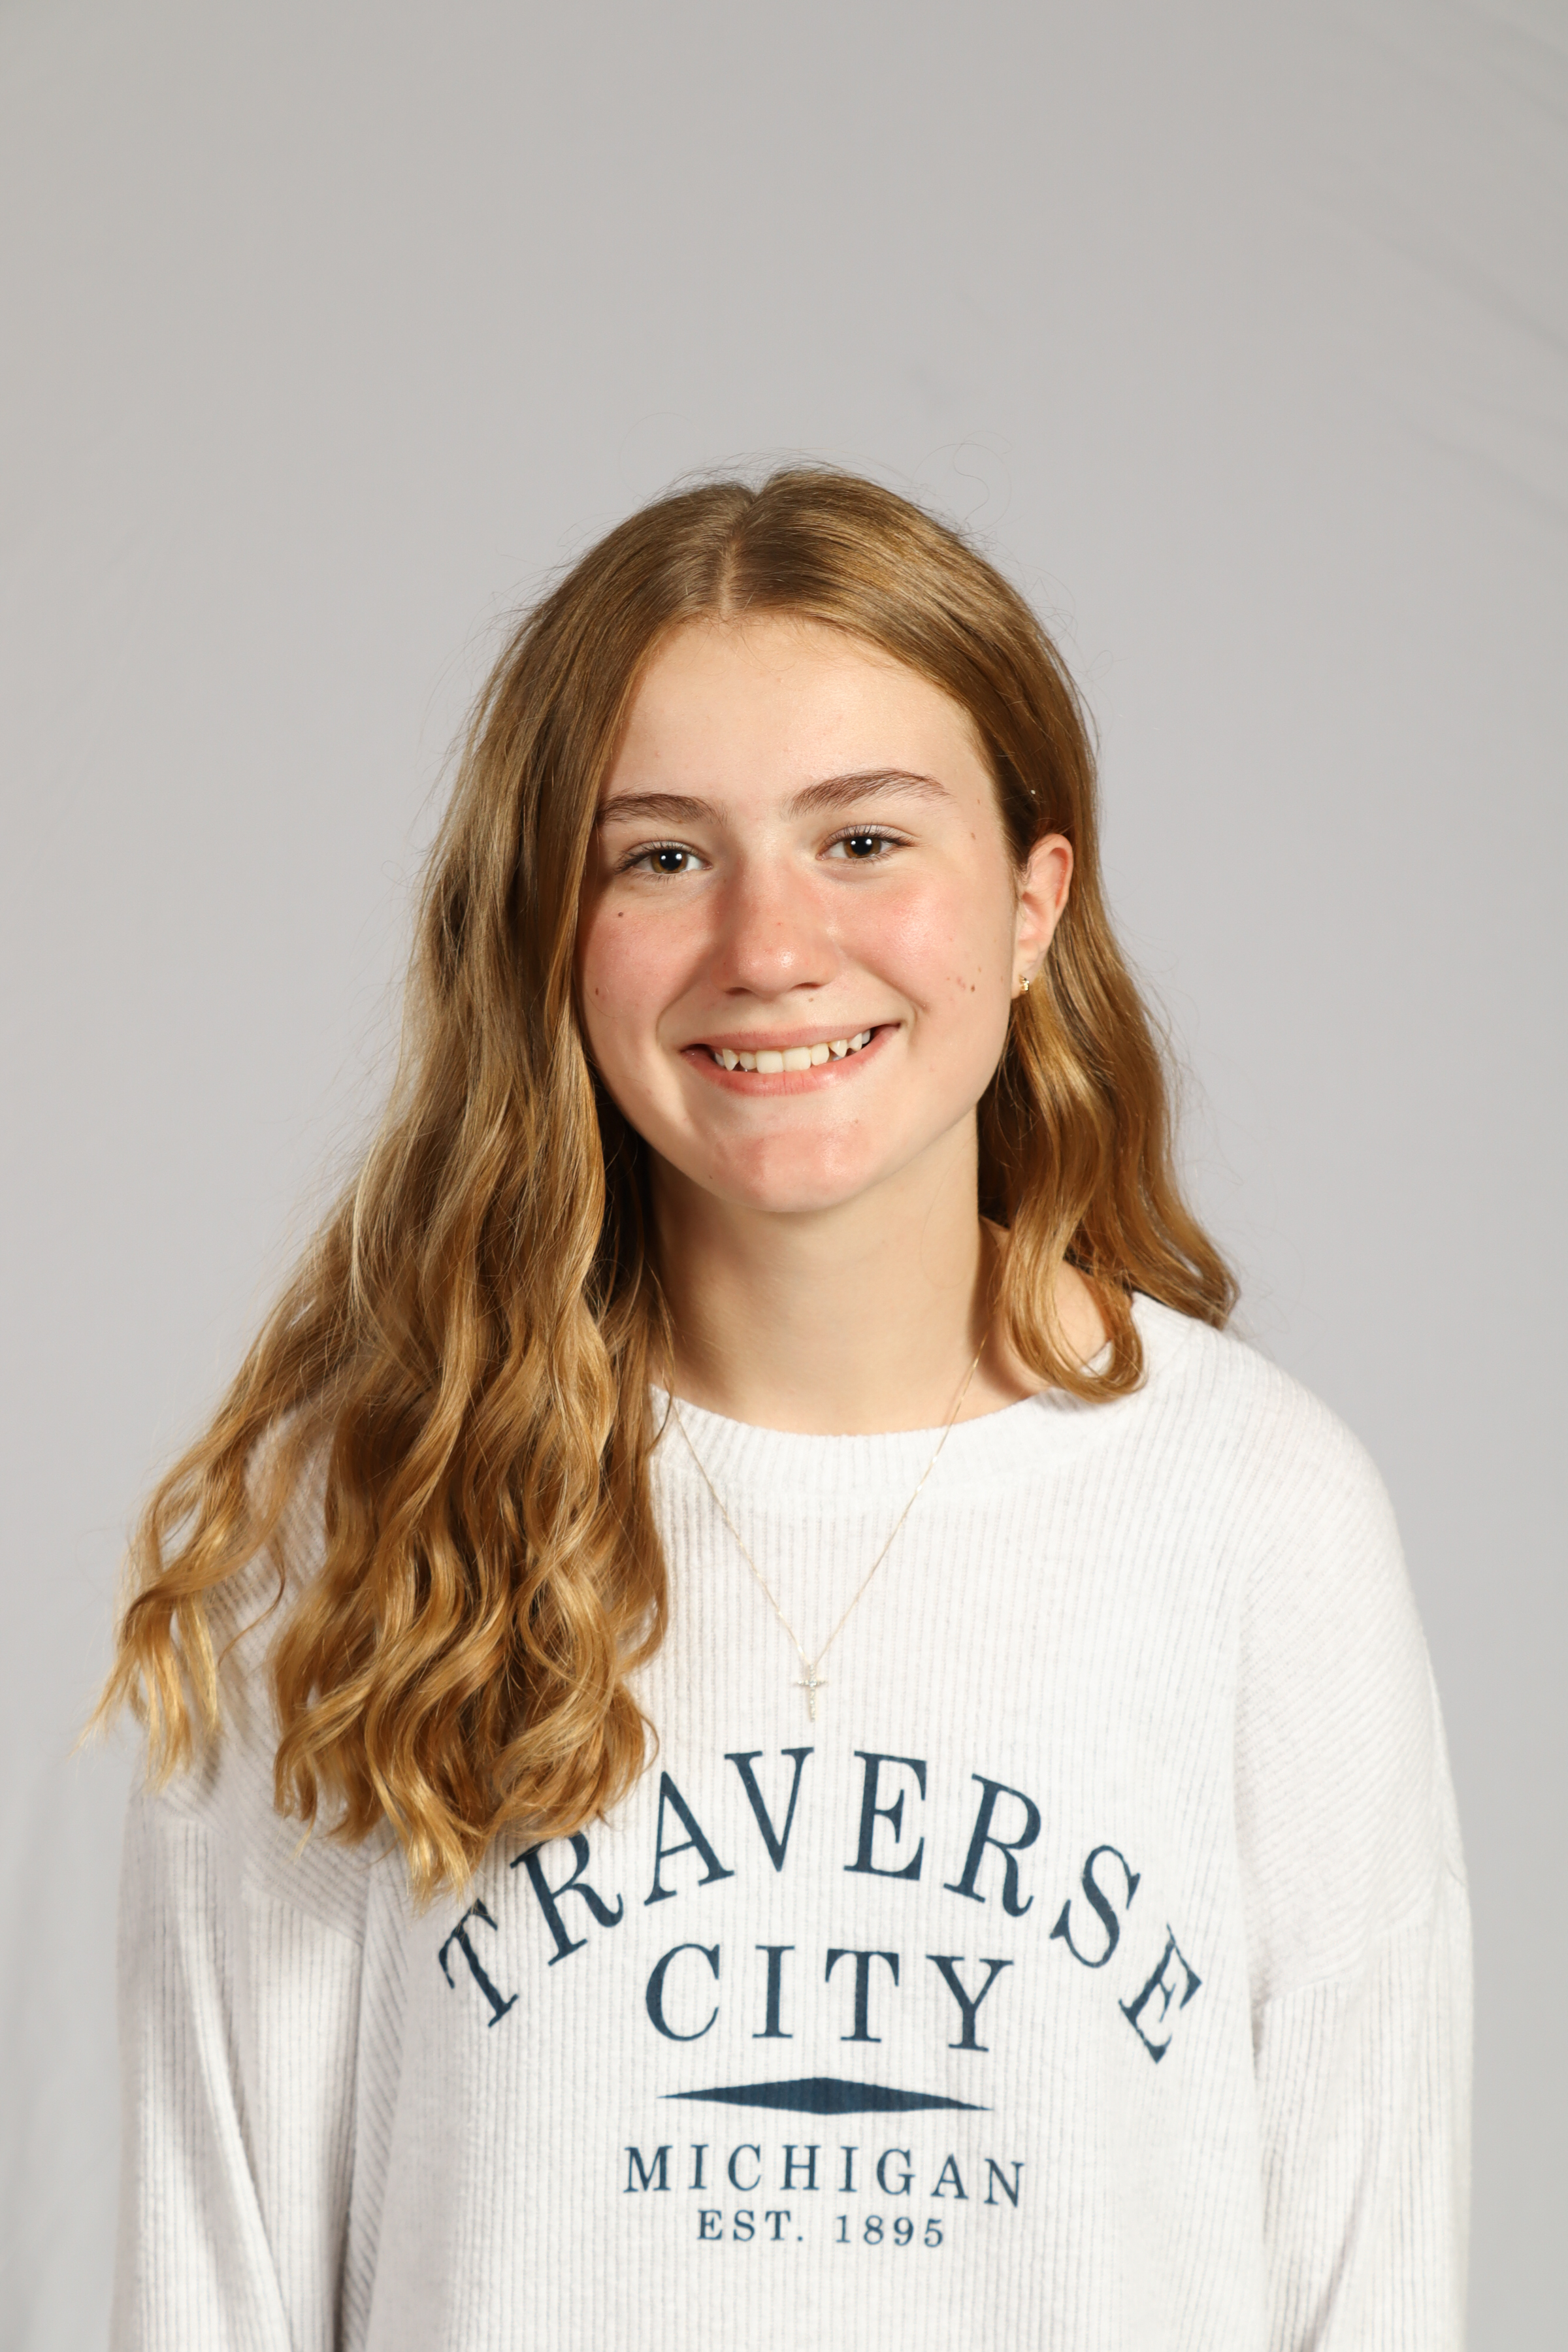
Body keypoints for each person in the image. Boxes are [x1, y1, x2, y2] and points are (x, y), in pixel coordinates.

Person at [101, 469, 1471, 2351]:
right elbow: (211, 2295)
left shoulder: (1259, 1519)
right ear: (551, 929)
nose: (768, 945)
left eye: (864, 840)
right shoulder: (356, 1526)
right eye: (662, 858)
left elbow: (1374, 2289)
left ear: (1033, 903)